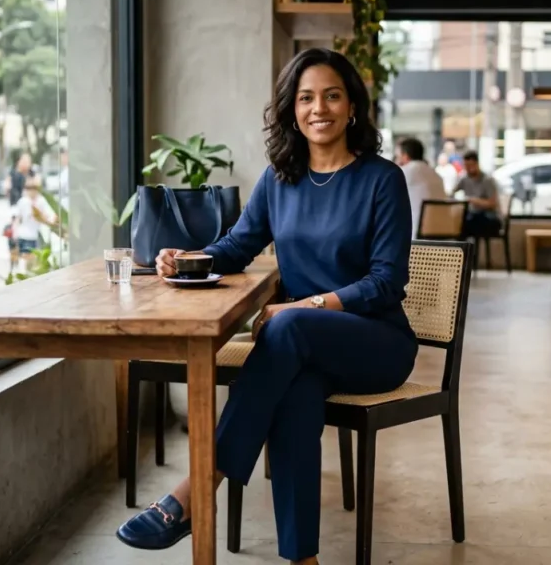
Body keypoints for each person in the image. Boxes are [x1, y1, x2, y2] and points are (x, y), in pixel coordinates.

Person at [116, 48, 418, 565]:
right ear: (291, 110)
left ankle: (196, 488)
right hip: (304, 348)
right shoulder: (281, 180)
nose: (318, 108)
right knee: (296, 397)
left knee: (287, 327)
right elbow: (236, 246)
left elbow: (387, 282)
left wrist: (308, 305)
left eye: (331, 95)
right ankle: (303, 559)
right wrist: (188, 258)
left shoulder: (382, 179)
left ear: (352, 107)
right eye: (305, 98)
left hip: (376, 342)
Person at [395, 138, 447, 238]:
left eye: (397, 156)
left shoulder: (403, 172)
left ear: (405, 156)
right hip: (443, 231)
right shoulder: (436, 175)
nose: (396, 160)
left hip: (415, 233)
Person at [451, 150, 503, 238]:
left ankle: (466, 249)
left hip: (490, 218)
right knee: (460, 222)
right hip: (474, 216)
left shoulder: (488, 180)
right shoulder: (464, 179)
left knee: (464, 225)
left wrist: (474, 201)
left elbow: (493, 204)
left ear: (477, 164)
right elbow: (452, 192)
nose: (468, 169)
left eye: (470, 166)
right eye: (466, 166)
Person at [10, 177, 56, 272]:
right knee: (24, 260)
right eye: (28, 188)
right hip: (23, 235)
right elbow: (17, 218)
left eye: (33, 188)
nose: (31, 191)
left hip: (34, 235)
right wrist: (14, 232)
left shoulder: (41, 201)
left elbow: (47, 216)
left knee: (32, 260)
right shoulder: (23, 201)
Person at [4, 153, 36, 271]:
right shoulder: (14, 175)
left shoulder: (31, 174)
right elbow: (9, 191)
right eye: (26, 161)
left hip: (29, 212)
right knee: (14, 236)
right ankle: (14, 261)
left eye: (29, 161)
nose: (28, 164)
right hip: (16, 208)